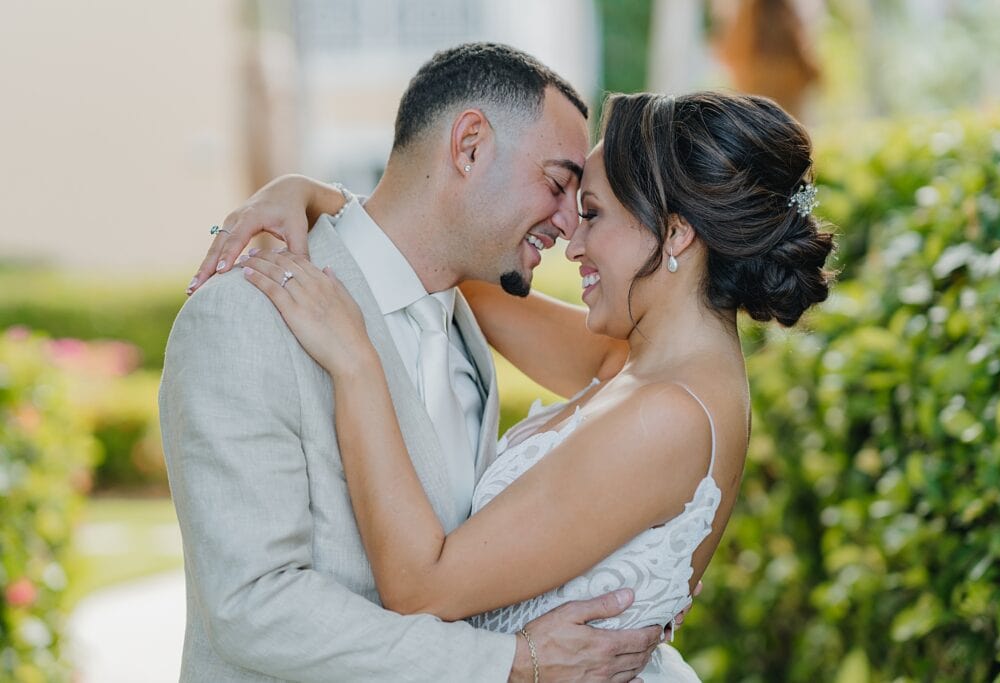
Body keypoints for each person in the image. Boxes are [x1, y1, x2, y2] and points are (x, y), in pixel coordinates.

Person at [195, 90, 835, 681]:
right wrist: (308, 194)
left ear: (675, 232)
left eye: (592, 214)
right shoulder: (639, 363)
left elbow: (423, 586)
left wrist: (357, 364)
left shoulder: (667, 414)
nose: (572, 243)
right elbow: (448, 260)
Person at [161, 43, 672, 683]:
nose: (571, 225)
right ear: (469, 147)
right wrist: (513, 663)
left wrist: (326, 196)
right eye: (557, 182)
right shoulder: (244, 316)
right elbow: (253, 605)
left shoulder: (467, 321)